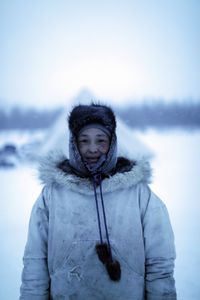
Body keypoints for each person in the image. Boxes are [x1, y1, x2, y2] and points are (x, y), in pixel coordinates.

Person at [20, 103, 177, 300]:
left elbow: (160, 263)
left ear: (112, 143)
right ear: (73, 143)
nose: (92, 149)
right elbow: (35, 261)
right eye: (84, 140)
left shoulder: (139, 194)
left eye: (100, 140)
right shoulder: (52, 195)